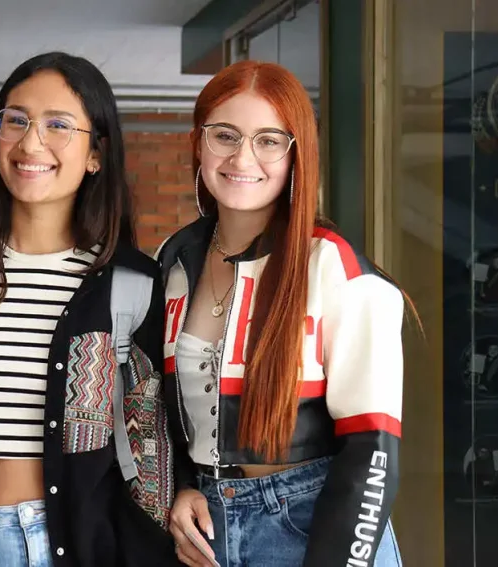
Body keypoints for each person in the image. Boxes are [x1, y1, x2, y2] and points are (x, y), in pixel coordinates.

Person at [0, 52, 177, 567]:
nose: (31, 142)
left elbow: (152, 445)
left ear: (96, 153)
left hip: (74, 545)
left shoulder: (129, 284)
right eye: (16, 120)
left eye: (59, 125)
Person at [159, 60, 408, 567]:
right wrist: (183, 488)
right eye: (224, 135)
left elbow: (372, 450)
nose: (242, 156)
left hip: (315, 522)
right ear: (198, 143)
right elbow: (162, 409)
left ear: (298, 155)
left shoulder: (335, 268)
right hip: (210, 531)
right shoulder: (174, 260)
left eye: (269, 140)